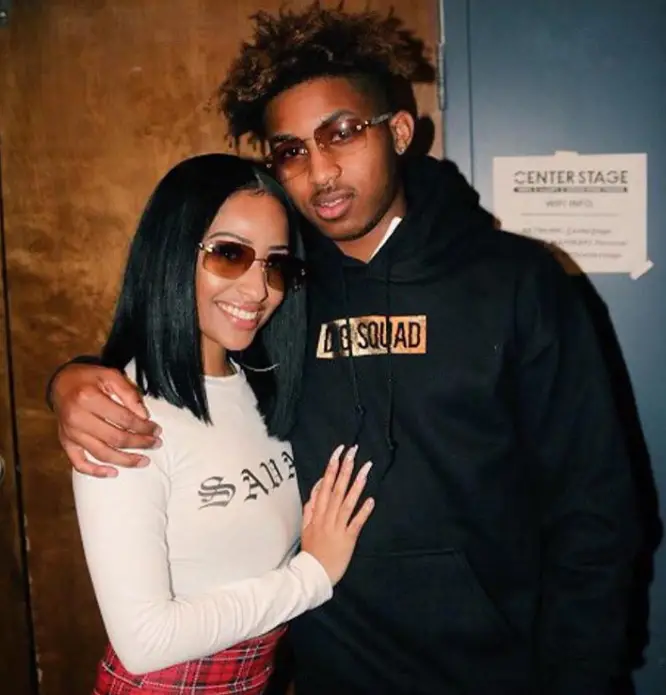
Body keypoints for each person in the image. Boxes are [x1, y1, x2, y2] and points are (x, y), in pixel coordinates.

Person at [50, 5, 639, 695]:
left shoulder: (516, 283)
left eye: (342, 133)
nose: (321, 170)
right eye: (291, 150)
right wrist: (71, 380)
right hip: (330, 673)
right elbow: (187, 355)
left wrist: (582, 675)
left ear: (399, 132)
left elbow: (595, 510)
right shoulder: (278, 291)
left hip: (496, 670)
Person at [69, 153, 375, 695]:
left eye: (276, 264)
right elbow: (145, 640)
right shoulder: (121, 415)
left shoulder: (263, 385)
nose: (259, 291)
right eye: (230, 254)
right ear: (172, 251)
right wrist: (312, 575)